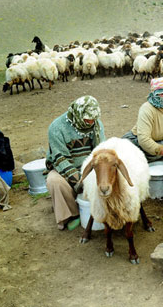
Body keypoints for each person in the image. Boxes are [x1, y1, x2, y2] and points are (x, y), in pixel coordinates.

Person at [46, 95, 105, 230]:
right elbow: (61, 159)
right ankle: (73, 214)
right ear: (78, 114)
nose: (91, 123)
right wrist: (79, 180)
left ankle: (98, 211)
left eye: (93, 119)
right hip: (64, 166)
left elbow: (100, 150)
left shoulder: (96, 125)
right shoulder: (57, 128)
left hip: (90, 165)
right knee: (54, 182)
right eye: (87, 119)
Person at [122, 77, 163, 162]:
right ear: (155, 93)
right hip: (139, 141)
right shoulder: (147, 109)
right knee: (132, 155)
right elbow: (144, 139)